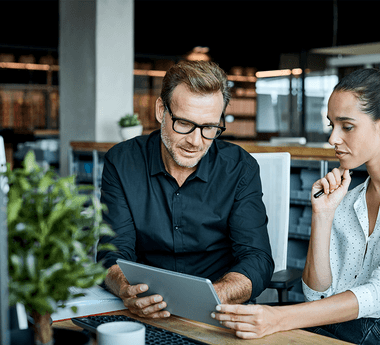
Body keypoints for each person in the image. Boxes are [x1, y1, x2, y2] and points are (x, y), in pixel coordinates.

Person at [212, 68, 380, 345]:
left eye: (347, 126)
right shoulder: (349, 198)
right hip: (337, 326)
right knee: (231, 333)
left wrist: (278, 318)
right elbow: (316, 295)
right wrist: (323, 215)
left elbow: (379, 294)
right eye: (332, 125)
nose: (333, 139)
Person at [97, 60, 274, 319]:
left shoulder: (240, 168)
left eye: (209, 128)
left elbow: (256, 258)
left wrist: (213, 296)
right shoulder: (122, 162)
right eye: (183, 123)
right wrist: (126, 289)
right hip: (145, 309)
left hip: (218, 310)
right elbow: (112, 251)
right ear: (161, 110)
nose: (195, 141)